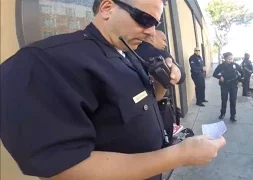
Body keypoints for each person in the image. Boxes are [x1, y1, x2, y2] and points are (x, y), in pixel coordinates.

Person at [0, 0, 226, 180]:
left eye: (155, 23)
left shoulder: (128, 54)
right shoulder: (45, 62)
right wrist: (179, 155)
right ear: (107, 8)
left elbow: (148, 102)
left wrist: (161, 83)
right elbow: (63, 168)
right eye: (144, 19)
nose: (151, 32)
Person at [135, 29, 186, 143]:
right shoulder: (160, 54)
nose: (165, 44)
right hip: (159, 107)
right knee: (165, 141)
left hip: (139, 111)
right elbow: (182, 77)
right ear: (152, 37)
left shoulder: (130, 52)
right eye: (163, 40)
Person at [213, 52, 244, 121]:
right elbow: (214, 74)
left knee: (233, 100)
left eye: (231, 59)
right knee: (224, 100)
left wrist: (241, 81)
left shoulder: (235, 65)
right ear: (225, 59)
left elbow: (242, 73)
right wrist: (219, 77)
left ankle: (233, 115)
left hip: (233, 85)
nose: (230, 60)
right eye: (228, 59)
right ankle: (222, 113)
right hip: (224, 85)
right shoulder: (221, 66)